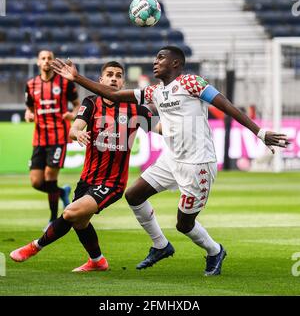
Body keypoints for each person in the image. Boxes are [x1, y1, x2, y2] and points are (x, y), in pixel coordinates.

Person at [50, 46, 289, 276]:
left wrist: (259, 133)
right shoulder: (155, 91)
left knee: (184, 225)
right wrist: (77, 77)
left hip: (198, 165)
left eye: (161, 58)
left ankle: (215, 251)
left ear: (175, 63)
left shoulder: (192, 83)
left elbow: (226, 106)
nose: (155, 61)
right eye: (155, 58)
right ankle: (161, 245)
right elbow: (112, 94)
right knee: (134, 195)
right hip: (171, 159)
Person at [10, 61, 158, 272]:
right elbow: (73, 129)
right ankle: (97, 261)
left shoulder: (135, 108)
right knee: (80, 222)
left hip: (112, 182)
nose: (114, 78)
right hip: (87, 179)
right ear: (101, 80)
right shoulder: (91, 102)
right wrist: (77, 132)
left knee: (70, 213)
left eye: (118, 75)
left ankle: (35, 246)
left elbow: (160, 128)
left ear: (123, 82)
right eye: (109, 74)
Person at [24, 50, 80, 230]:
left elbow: (78, 104)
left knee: (49, 177)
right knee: (36, 182)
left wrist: (72, 114)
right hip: (39, 138)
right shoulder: (31, 84)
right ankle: (62, 192)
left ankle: (52, 220)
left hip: (58, 137)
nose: (46, 61)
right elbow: (29, 108)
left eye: (49, 58)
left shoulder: (64, 83)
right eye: (43, 58)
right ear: (38, 62)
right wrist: (29, 115)